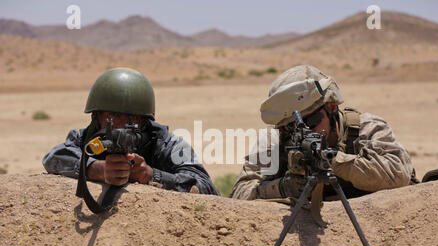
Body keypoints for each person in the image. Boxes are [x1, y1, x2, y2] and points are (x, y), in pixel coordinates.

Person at [231, 65, 418, 201]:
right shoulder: (274, 141)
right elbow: (239, 194)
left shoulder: (365, 128)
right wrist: (281, 188)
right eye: (288, 128)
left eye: (309, 123)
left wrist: (334, 161)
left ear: (331, 107)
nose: (298, 132)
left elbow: (398, 175)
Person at [43, 67, 219, 196]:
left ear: (144, 120)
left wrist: (152, 175)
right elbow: (53, 158)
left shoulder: (167, 144)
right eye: (112, 116)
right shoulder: (87, 138)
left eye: (131, 118)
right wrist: (96, 169)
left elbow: (206, 187)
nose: (120, 125)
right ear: (97, 116)